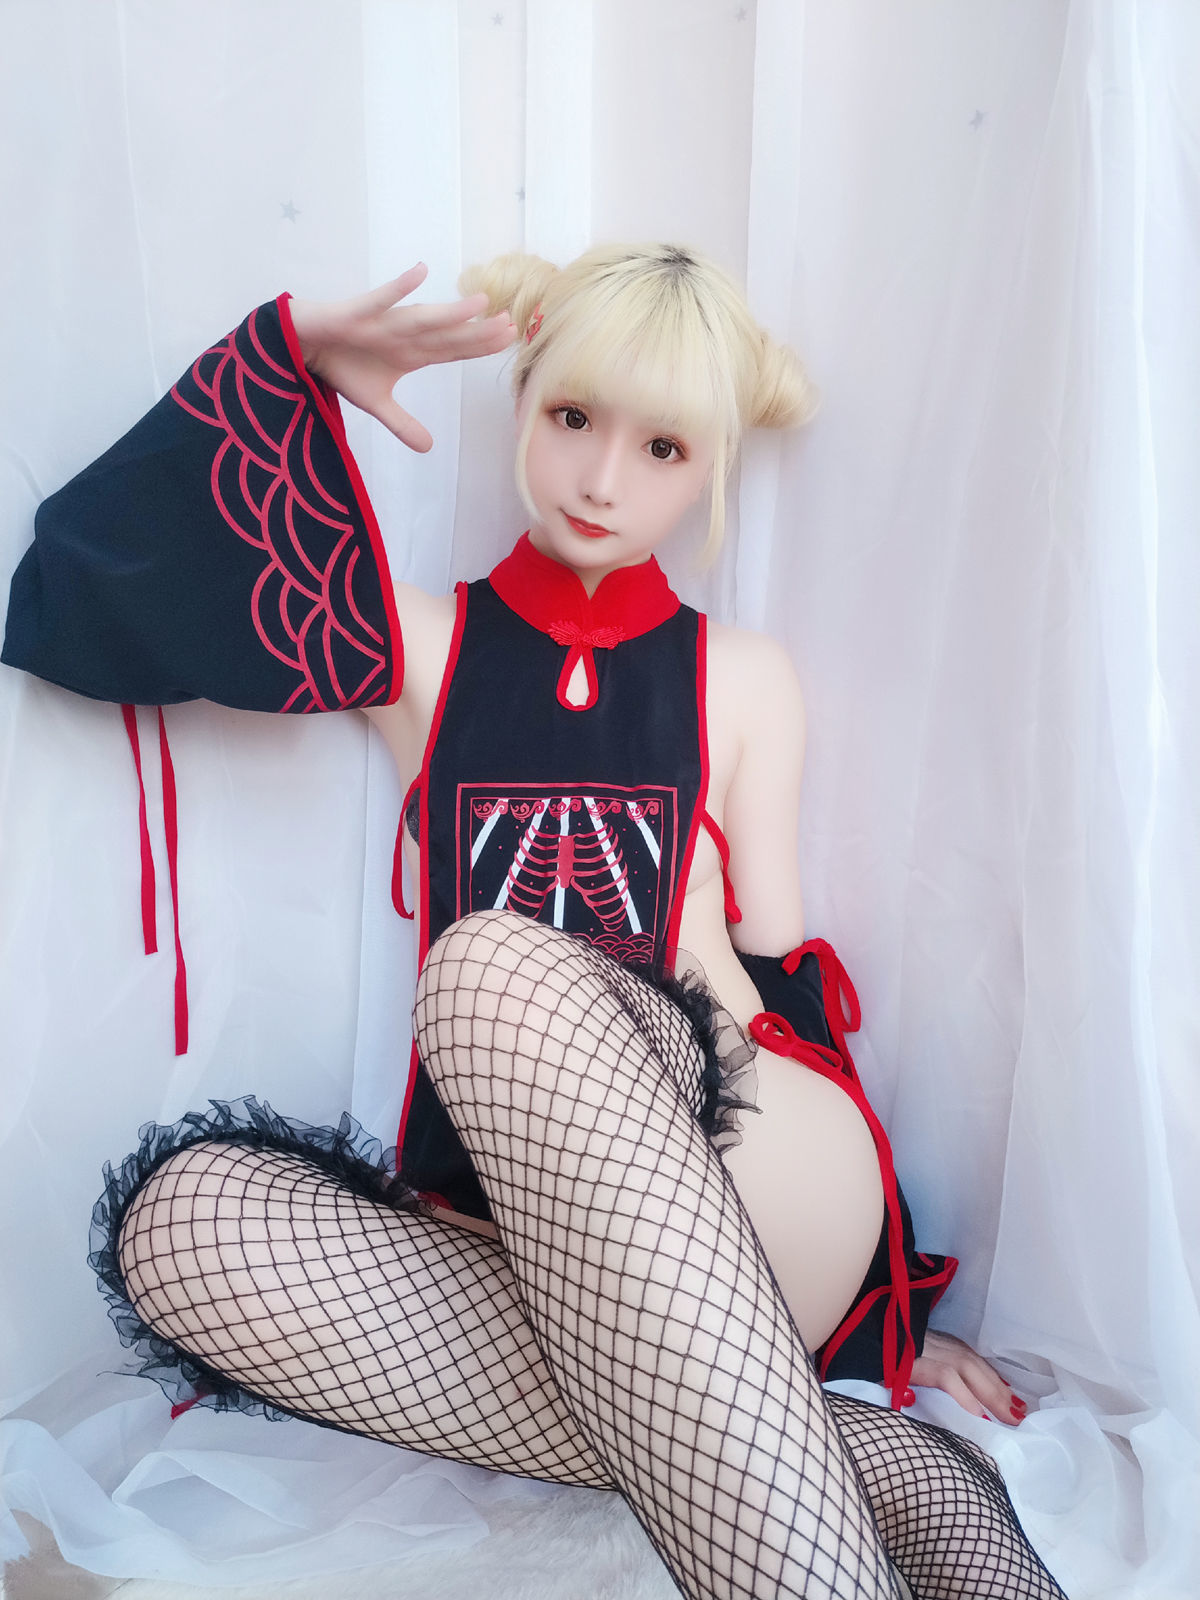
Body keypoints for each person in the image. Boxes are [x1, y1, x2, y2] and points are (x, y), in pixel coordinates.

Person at [2, 246, 1066, 1600]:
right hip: (512, 1221)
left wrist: (892, 1306)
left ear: (713, 467)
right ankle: (869, 1460)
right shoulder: (424, 646)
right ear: (523, 402)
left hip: (744, 1151)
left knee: (489, 967)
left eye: (663, 448)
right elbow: (80, 594)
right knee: (180, 1225)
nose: (603, 479)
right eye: (573, 417)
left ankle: (799, 1491)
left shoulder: (743, 679)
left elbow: (787, 975)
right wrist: (281, 352)